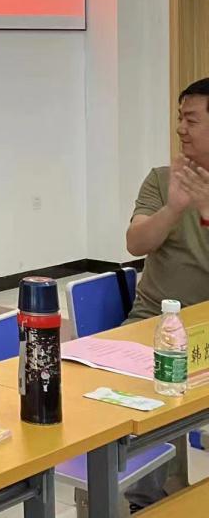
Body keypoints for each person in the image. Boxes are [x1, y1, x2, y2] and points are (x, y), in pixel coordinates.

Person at [122, 78, 209, 509]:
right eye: (179, 118)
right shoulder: (160, 180)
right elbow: (135, 243)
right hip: (155, 324)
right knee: (154, 386)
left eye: (191, 120)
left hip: (205, 332)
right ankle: (145, 500)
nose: (180, 129)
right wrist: (174, 208)